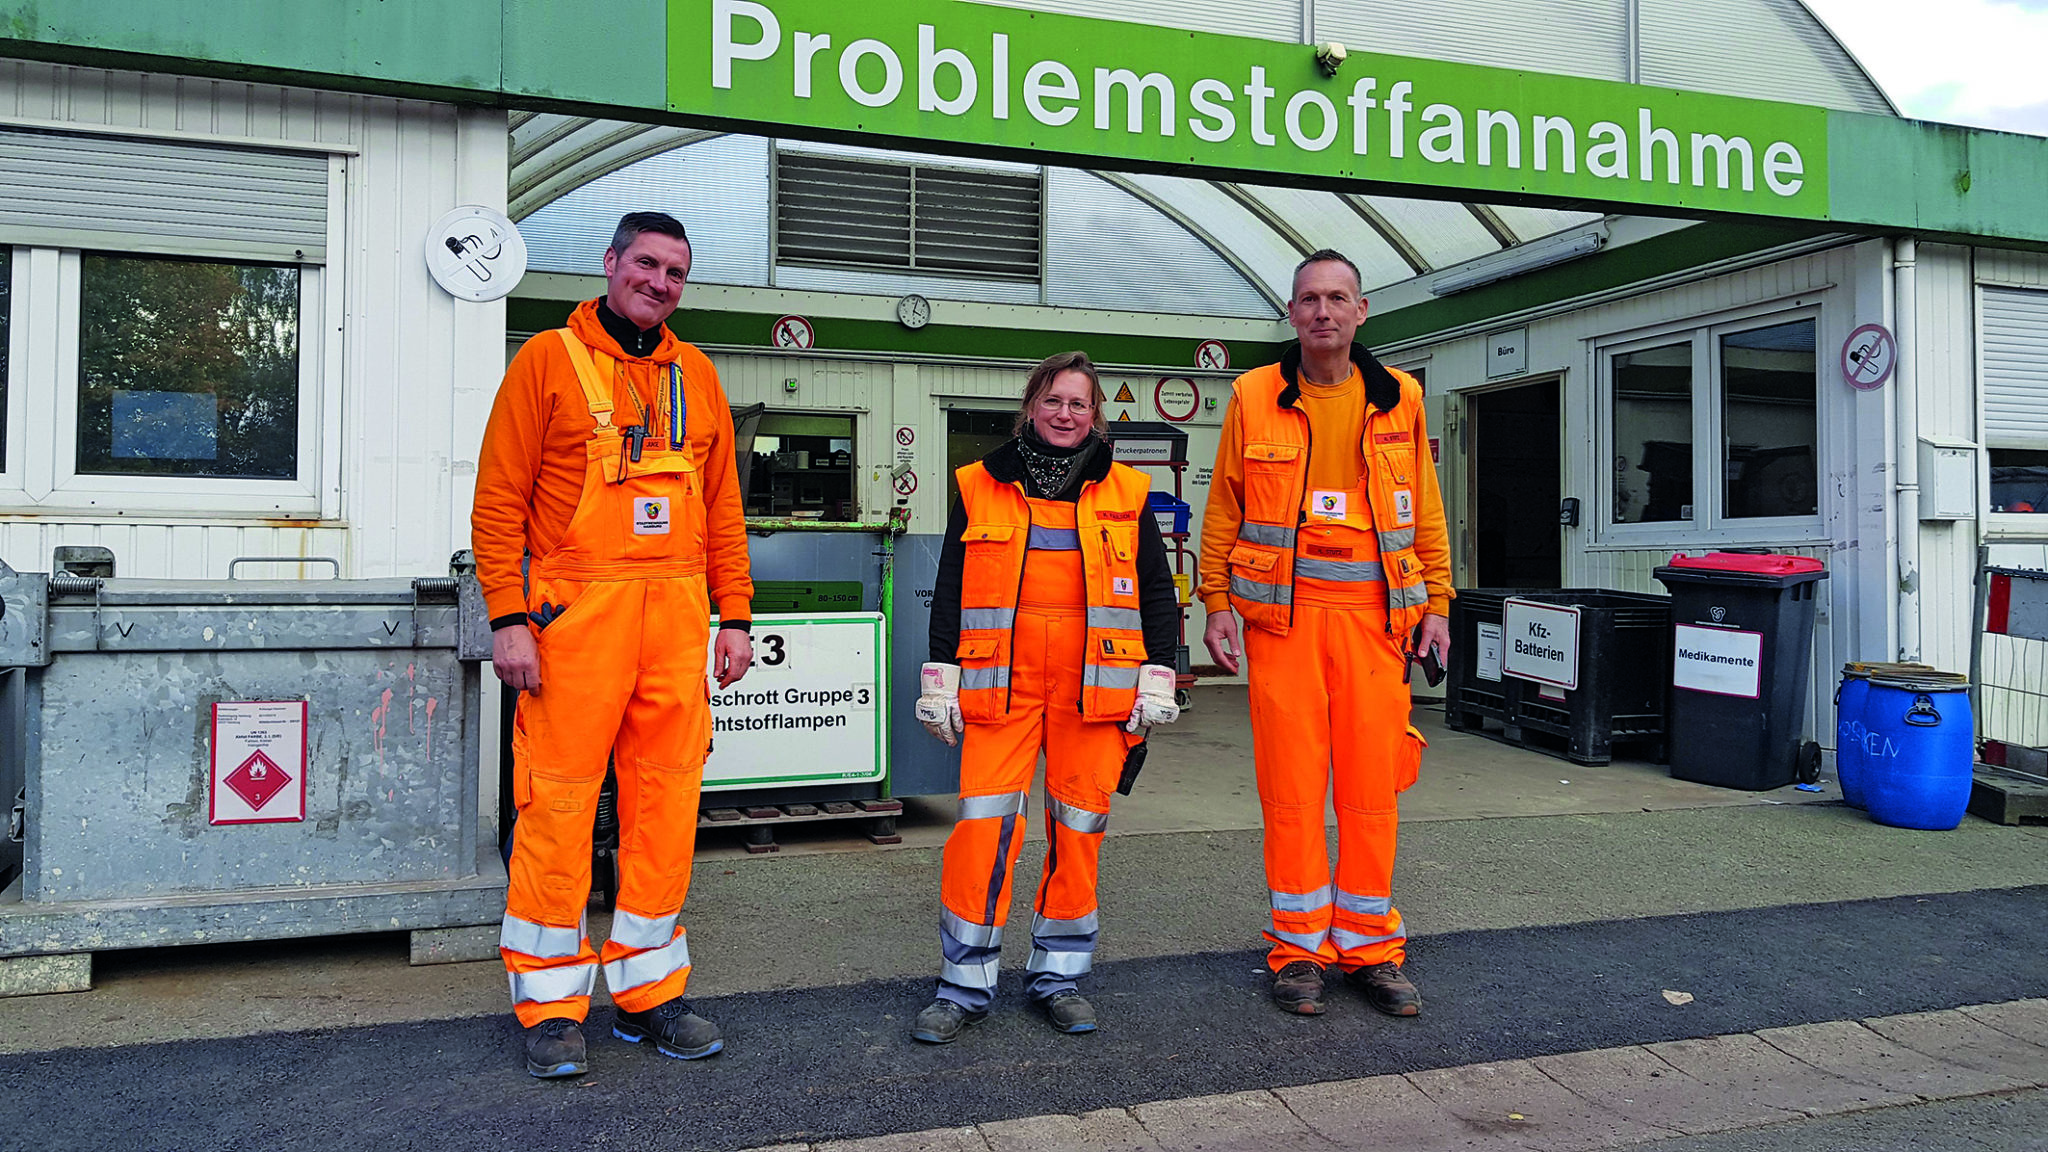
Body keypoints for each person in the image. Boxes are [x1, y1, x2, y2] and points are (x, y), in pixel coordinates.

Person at [472, 211, 755, 1078]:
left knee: (666, 806)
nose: (659, 282)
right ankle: (552, 1005)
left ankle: (648, 992)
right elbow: (498, 501)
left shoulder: (698, 375)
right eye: (646, 264)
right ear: (611, 264)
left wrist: (734, 616)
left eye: (675, 271)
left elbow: (722, 511)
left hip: (674, 622)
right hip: (574, 624)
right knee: (556, 807)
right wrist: (508, 617)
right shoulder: (546, 361)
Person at [1197, 249, 1453, 1018]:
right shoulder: (1254, 394)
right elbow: (1225, 505)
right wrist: (1214, 601)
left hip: (1379, 626)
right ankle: (1299, 949)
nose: (1323, 312)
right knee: (1294, 792)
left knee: (1373, 791)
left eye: (1338, 298)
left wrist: (1438, 601)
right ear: (1292, 313)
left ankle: (1372, 949)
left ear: (1362, 311)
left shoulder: (1400, 397)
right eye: (1309, 299)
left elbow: (1428, 510)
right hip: (1284, 624)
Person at [910, 351, 1182, 1043]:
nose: (1066, 415)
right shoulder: (980, 485)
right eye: (1054, 401)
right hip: (998, 683)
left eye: (1079, 404)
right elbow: (953, 586)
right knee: (982, 832)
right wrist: (939, 672)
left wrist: (1163, 669)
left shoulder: (1126, 491)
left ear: (1097, 416)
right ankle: (963, 984)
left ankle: (1058, 976)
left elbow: (1155, 586)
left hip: (1095, 689)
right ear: (1031, 406)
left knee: (1078, 831)